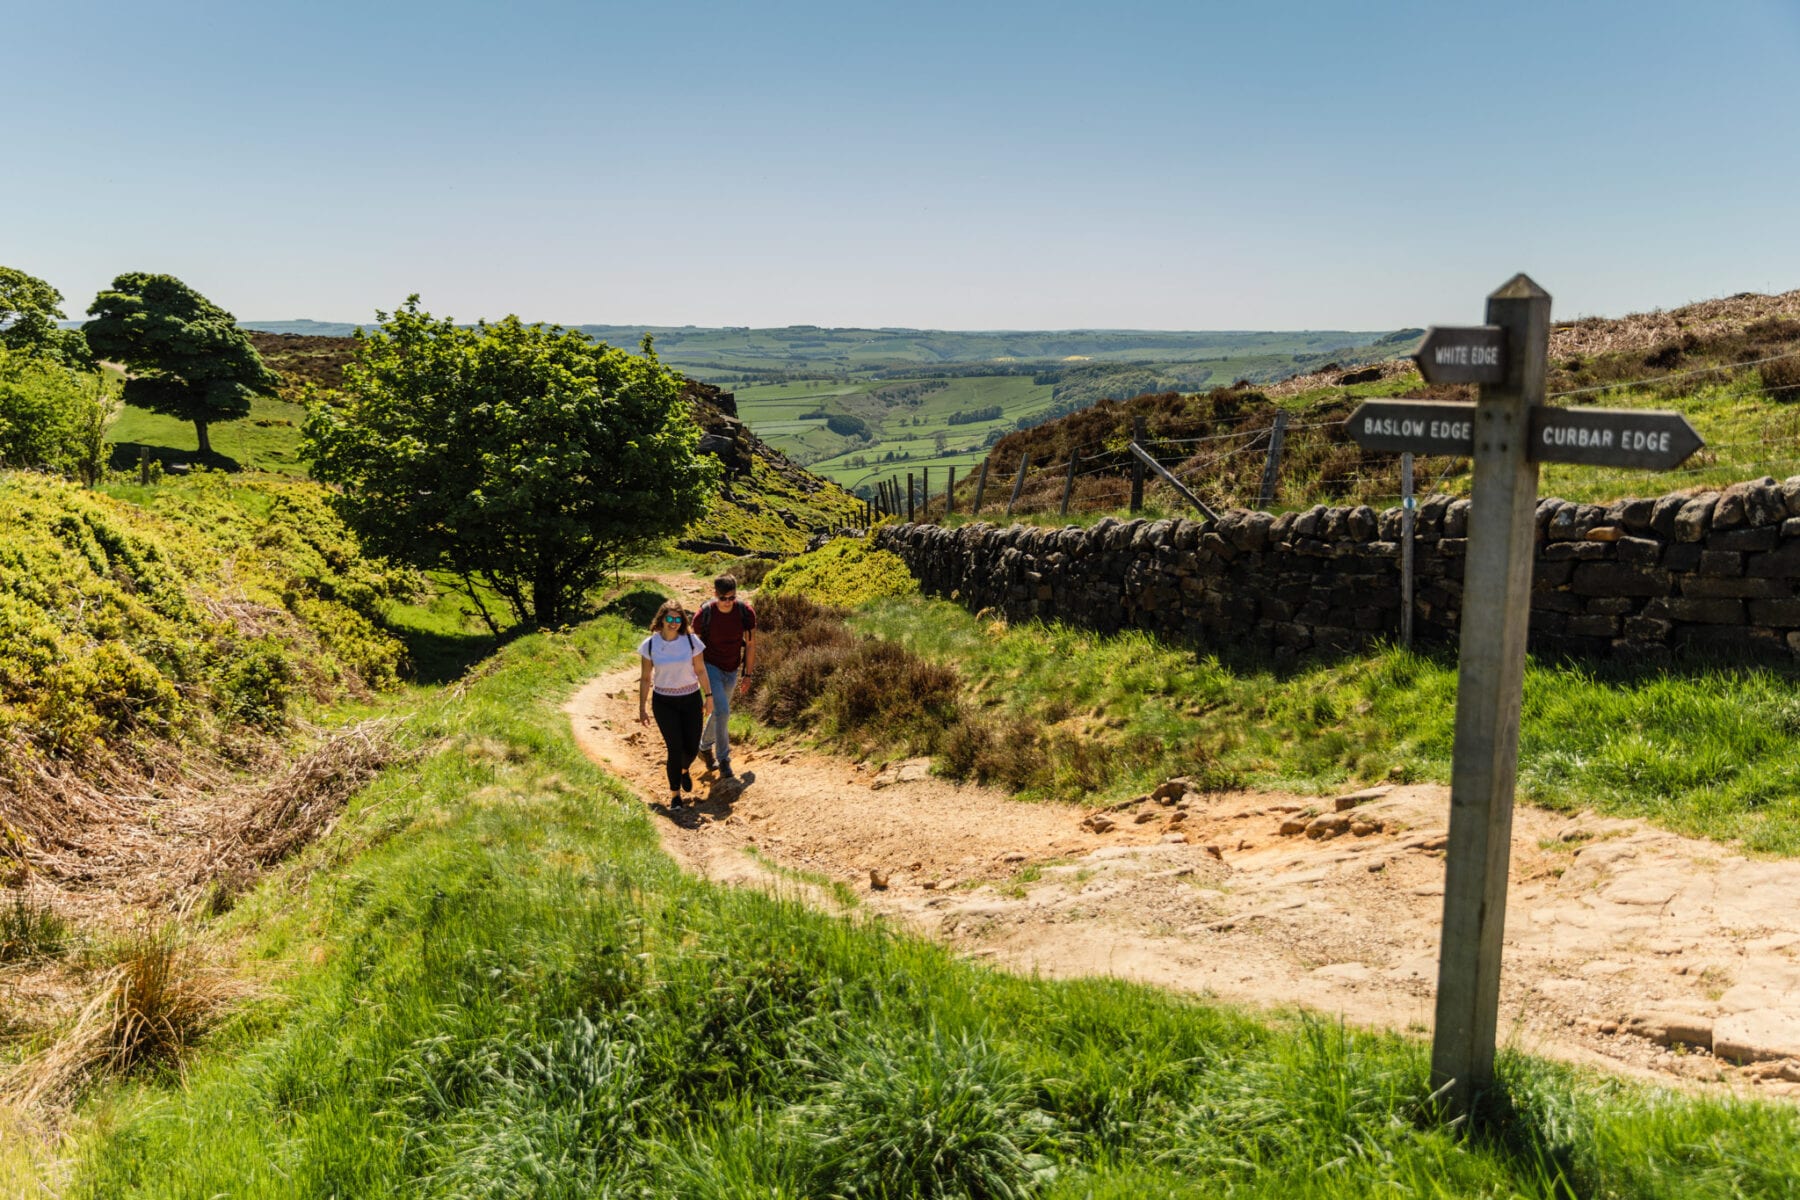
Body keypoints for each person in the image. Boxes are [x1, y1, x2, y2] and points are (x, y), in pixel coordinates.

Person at [637, 599, 712, 808]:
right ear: (661, 619)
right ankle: (675, 795)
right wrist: (642, 707)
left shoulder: (691, 641)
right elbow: (645, 678)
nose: (674, 622)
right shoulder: (650, 645)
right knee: (674, 747)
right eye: (669, 618)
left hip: (690, 699)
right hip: (664, 702)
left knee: (691, 746)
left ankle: (684, 769)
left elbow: (700, 670)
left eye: (678, 618)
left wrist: (709, 696)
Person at [694, 573, 756, 780]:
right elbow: (696, 650)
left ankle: (703, 747)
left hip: (732, 668)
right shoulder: (703, 616)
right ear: (715, 595)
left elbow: (750, 645)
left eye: (732, 598)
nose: (728, 602)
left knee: (720, 713)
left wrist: (747, 674)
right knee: (723, 711)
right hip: (710, 666)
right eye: (723, 598)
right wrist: (698, 676)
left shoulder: (745, 613)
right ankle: (724, 760)